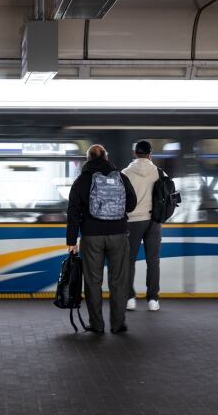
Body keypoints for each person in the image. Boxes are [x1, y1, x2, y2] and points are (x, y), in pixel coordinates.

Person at [67, 144, 137, 334]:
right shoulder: (121, 177)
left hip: (92, 236)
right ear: (106, 157)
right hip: (119, 234)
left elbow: (72, 212)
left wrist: (71, 242)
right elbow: (131, 204)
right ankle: (118, 324)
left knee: (92, 281)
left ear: (87, 159)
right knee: (119, 281)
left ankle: (97, 325)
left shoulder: (82, 180)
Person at [121, 140, 162, 312]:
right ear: (150, 154)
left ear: (135, 153)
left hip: (132, 222)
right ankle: (153, 300)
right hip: (154, 221)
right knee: (153, 261)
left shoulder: (125, 173)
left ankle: (130, 298)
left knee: (129, 261)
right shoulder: (159, 172)